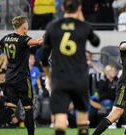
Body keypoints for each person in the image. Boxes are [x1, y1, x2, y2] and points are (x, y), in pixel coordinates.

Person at [41, 0, 100, 134]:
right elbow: (96, 42)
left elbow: (43, 58)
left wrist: (48, 77)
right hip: (79, 78)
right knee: (82, 119)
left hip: (59, 79)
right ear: (79, 8)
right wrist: (83, 20)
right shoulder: (84, 26)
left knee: (61, 119)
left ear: (62, 7)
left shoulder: (52, 26)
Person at [0, 16, 43, 135]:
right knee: (28, 108)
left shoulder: (6, 38)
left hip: (9, 78)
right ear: (24, 27)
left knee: (10, 108)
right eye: (26, 26)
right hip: (23, 79)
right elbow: (38, 42)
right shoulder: (23, 39)